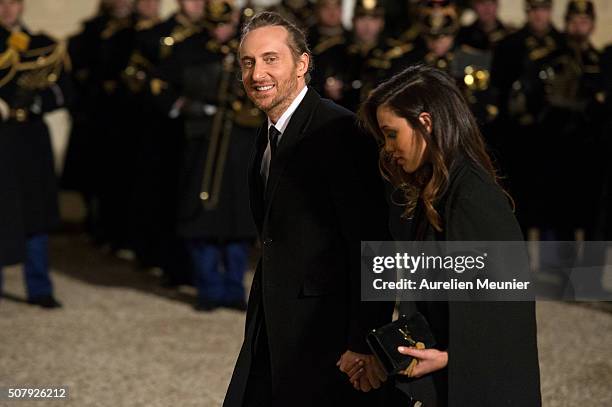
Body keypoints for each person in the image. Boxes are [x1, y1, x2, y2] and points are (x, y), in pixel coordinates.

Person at [223, 11, 393, 407]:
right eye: (247, 62)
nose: (256, 73)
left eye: (270, 59)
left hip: (326, 340)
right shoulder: (266, 131)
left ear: (302, 64)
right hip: (274, 327)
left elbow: (370, 244)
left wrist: (365, 340)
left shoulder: (339, 133)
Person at [353, 65, 542, 405]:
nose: (387, 148)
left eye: (392, 133)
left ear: (425, 122)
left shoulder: (471, 198)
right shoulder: (437, 191)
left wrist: (449, 358)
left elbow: (506, 313)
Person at [0, 0, 72, 308]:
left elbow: (65, 91)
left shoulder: (44, 45)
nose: (6, 9)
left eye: (12, 2)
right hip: (1, 138)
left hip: (29, 139)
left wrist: (35, 102)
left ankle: (39, 285)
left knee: (35, 212)